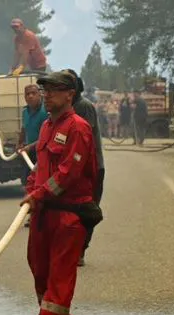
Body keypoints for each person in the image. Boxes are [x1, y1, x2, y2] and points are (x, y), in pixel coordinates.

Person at [20, 70, 100, 315]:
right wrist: (31, 190)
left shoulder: (78, 128)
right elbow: (41, 168)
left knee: (59, 276)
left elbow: (67, 174)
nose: (46, 95)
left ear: (70, 94)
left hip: (68, 216)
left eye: (53, 90)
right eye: (45, 90)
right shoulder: (46, 127)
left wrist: (39, 194)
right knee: (39, 269)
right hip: (43, 214)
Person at [64, 69, 106, 266]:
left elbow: (82, 138)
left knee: (88, 209)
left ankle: (81, 249)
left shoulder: (84, 107)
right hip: (72, 168)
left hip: (91, 168)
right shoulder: (66, 108)